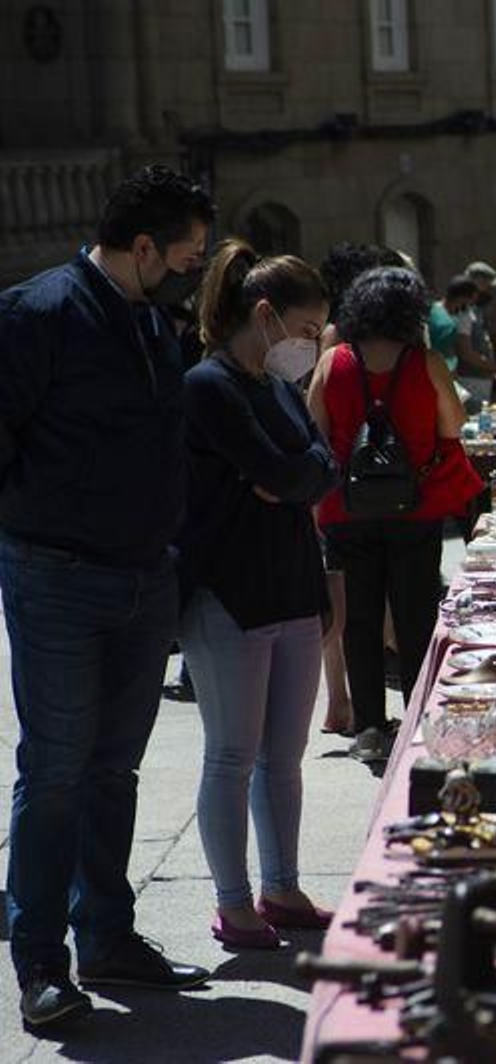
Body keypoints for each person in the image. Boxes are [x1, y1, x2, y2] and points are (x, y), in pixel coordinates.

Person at [0, 164, 215, 1028]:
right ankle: (40, 962)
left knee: (112, 769)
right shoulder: (39, 313)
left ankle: (109, 936)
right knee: (54, 770)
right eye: (189, 254)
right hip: (57, 573)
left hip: (141, 576)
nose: (196, 269)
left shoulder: (150, 321)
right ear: (142, 246)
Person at [178, 241, 340, 949]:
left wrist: (292, 476)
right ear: (266, 316)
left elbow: (320, 466)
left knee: (284, 756)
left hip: (293, 592)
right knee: (232, 756)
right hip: (230, 597)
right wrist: (293, 473)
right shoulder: (209, 386)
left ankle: (281, 885)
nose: (310, 347)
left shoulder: (274, 389)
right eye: (306, 332)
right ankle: (234, 901)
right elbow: (283, 465)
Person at [309, 267, 481, 764]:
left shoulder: (332, 363)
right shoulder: (424, 362)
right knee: (415, 616)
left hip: (348, 509)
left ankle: (366, 727)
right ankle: (418, 717)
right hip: (416, 508)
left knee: (358, 620)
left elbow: (314, 433)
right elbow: (453, 426)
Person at [315, 243, 406, 736]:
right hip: (351, 487)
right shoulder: (338, 338)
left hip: (348, 487)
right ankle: (340, 702)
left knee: (347, 597)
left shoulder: (338, 334)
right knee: (343, 599)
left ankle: (343, 703)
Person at [428, 274, 496, 406]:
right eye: (471, 300)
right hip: (444, 378)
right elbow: (466, 353)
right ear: (463, 298)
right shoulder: (448, 320)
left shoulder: (435, 311)